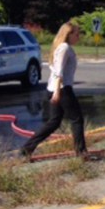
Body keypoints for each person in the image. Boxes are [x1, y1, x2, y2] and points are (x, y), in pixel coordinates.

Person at [20, 22, 87, 159]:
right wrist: (57, 92)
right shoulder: (64, 48)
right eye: (76, 34)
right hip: (62, 89)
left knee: (54, 122)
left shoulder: (62, 47)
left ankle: (27, 148)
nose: (78, 37)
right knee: (77, 119)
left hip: (56, 89)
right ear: (68, 35)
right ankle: (81, 152)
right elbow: (59, 72)